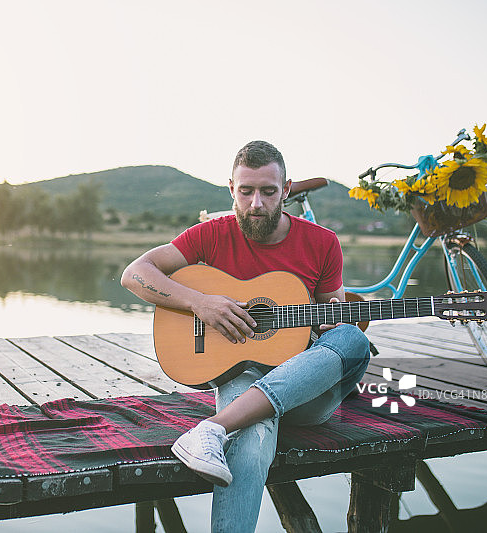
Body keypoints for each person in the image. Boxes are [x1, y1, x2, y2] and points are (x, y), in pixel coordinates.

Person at [120, 140, 370, 532]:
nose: (256, 203)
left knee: (353, 340)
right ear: (231, 190)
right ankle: (226, 427)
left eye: (268, 192)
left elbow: (331, 325)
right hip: (242, 372)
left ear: (285, 190)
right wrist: (200, 303)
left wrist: (327, 326)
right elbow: (135, 273)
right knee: (251, 449)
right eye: (246, 191)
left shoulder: (323, 243)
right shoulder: (211, 235)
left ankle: (212, 429)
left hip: (306, 395)